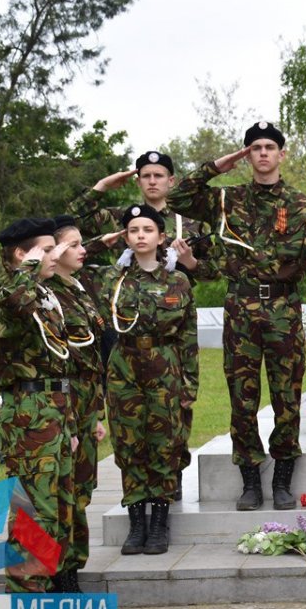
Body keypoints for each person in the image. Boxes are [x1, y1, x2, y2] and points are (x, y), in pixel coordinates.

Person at [168, 122, 306, 511]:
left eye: (270, 147)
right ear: (247, 155)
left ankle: (283, 477)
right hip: (241, 310)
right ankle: (250, 479)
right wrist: (220, 164)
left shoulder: (301, 204)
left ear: (282, 154)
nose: (263, 153)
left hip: (284, 310)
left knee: (287, 397)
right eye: (255, 148)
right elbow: (179, 197)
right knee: (242, 398)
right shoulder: (226, 200)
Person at [71, 151, 215, 500]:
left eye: (159, 175)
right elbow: (76, 223)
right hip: (129, 320)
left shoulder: (189, 223)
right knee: (132, 429)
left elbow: (212, 270)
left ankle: (170, 479)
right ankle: (142, 499)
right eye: (145, 175)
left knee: (171, 424)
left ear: (171, 180)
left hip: (172, 318)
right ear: (138, 180)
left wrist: (189, 262)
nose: (152, 181)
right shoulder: (126, 219)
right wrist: (103, 186)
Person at [0, 216, 78, 609]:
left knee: (56, 510)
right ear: (20, 256)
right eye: (47, 249)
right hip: (28, 416)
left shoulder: (45, 297)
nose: (57, 254)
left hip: (53, 414)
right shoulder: (10, 296)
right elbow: (12, 296)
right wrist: (35, 261)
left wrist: (73, 424)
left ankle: (44, 607)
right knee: (31, 515)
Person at [96, 205, 197, 554]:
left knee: (165, 443)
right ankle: (136, 523)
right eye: (133, 230)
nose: (140, 235)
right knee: (128, 443)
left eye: (147, 229)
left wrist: (189, 385)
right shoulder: (113, 278)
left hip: (165, 365)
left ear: (161, 236)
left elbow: (188, 335)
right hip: (124, 366)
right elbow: (71, 268)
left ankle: (159, 524)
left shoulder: (178, 280)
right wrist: (100, 242)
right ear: (125, 237)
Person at [45, 215, 107, 592]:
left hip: (83, 406)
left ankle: (70, 571)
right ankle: (51, 578)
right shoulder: (43, 294)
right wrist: (65, 422)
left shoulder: (78, 288)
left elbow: (89, 357)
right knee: (54, 496)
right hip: (55, 407)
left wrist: (94, 413)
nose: (82, 249)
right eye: (73, 244)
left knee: (79, 492)